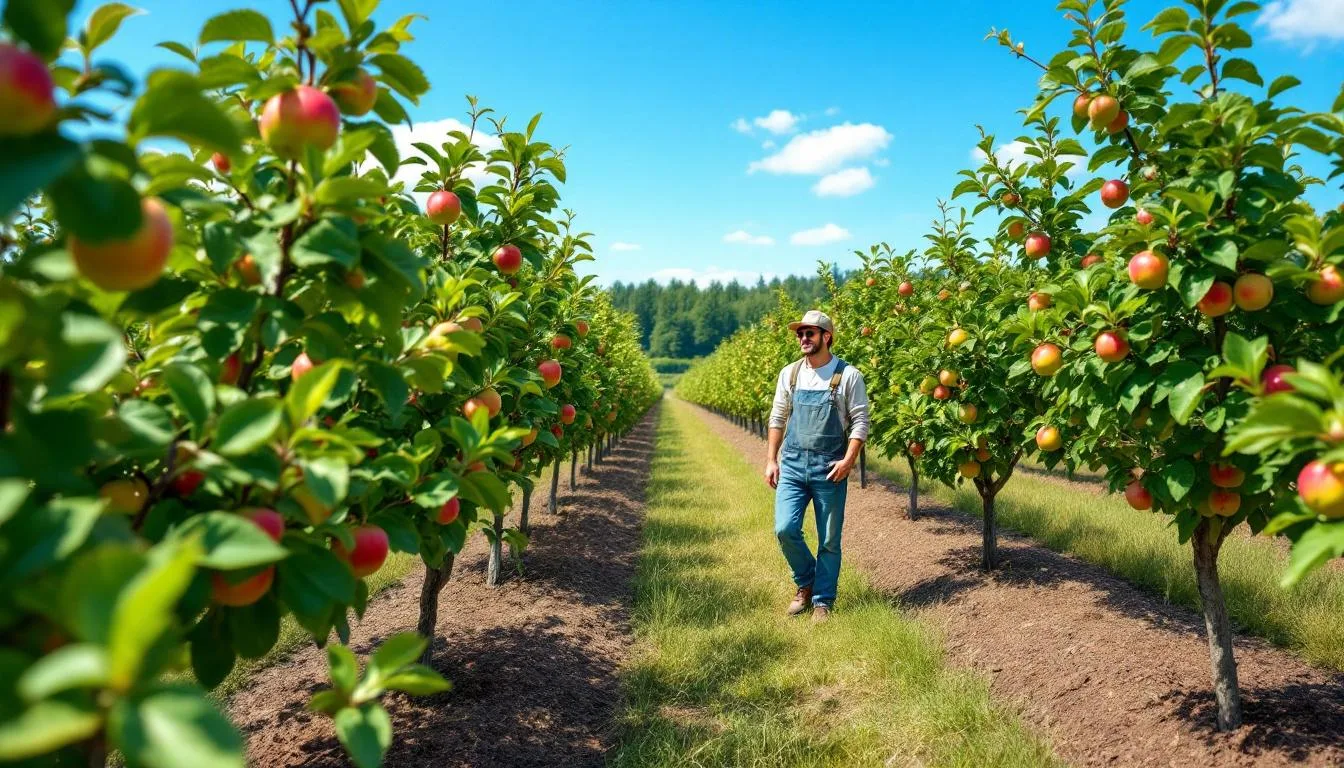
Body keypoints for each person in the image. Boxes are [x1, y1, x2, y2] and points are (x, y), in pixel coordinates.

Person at [763, 309, 869, 623]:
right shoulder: (790, 373)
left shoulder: (848, 375)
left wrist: (848, 461)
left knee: (829, 539)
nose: (803, 338)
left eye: (810, 333)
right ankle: (807, 580)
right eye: (800, 333)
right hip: (793, 466)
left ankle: (823, 601)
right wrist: (771, 459)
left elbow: (860, 422)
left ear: (827, 336)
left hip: (829, 468)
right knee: (785, 529)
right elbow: (777, 418)